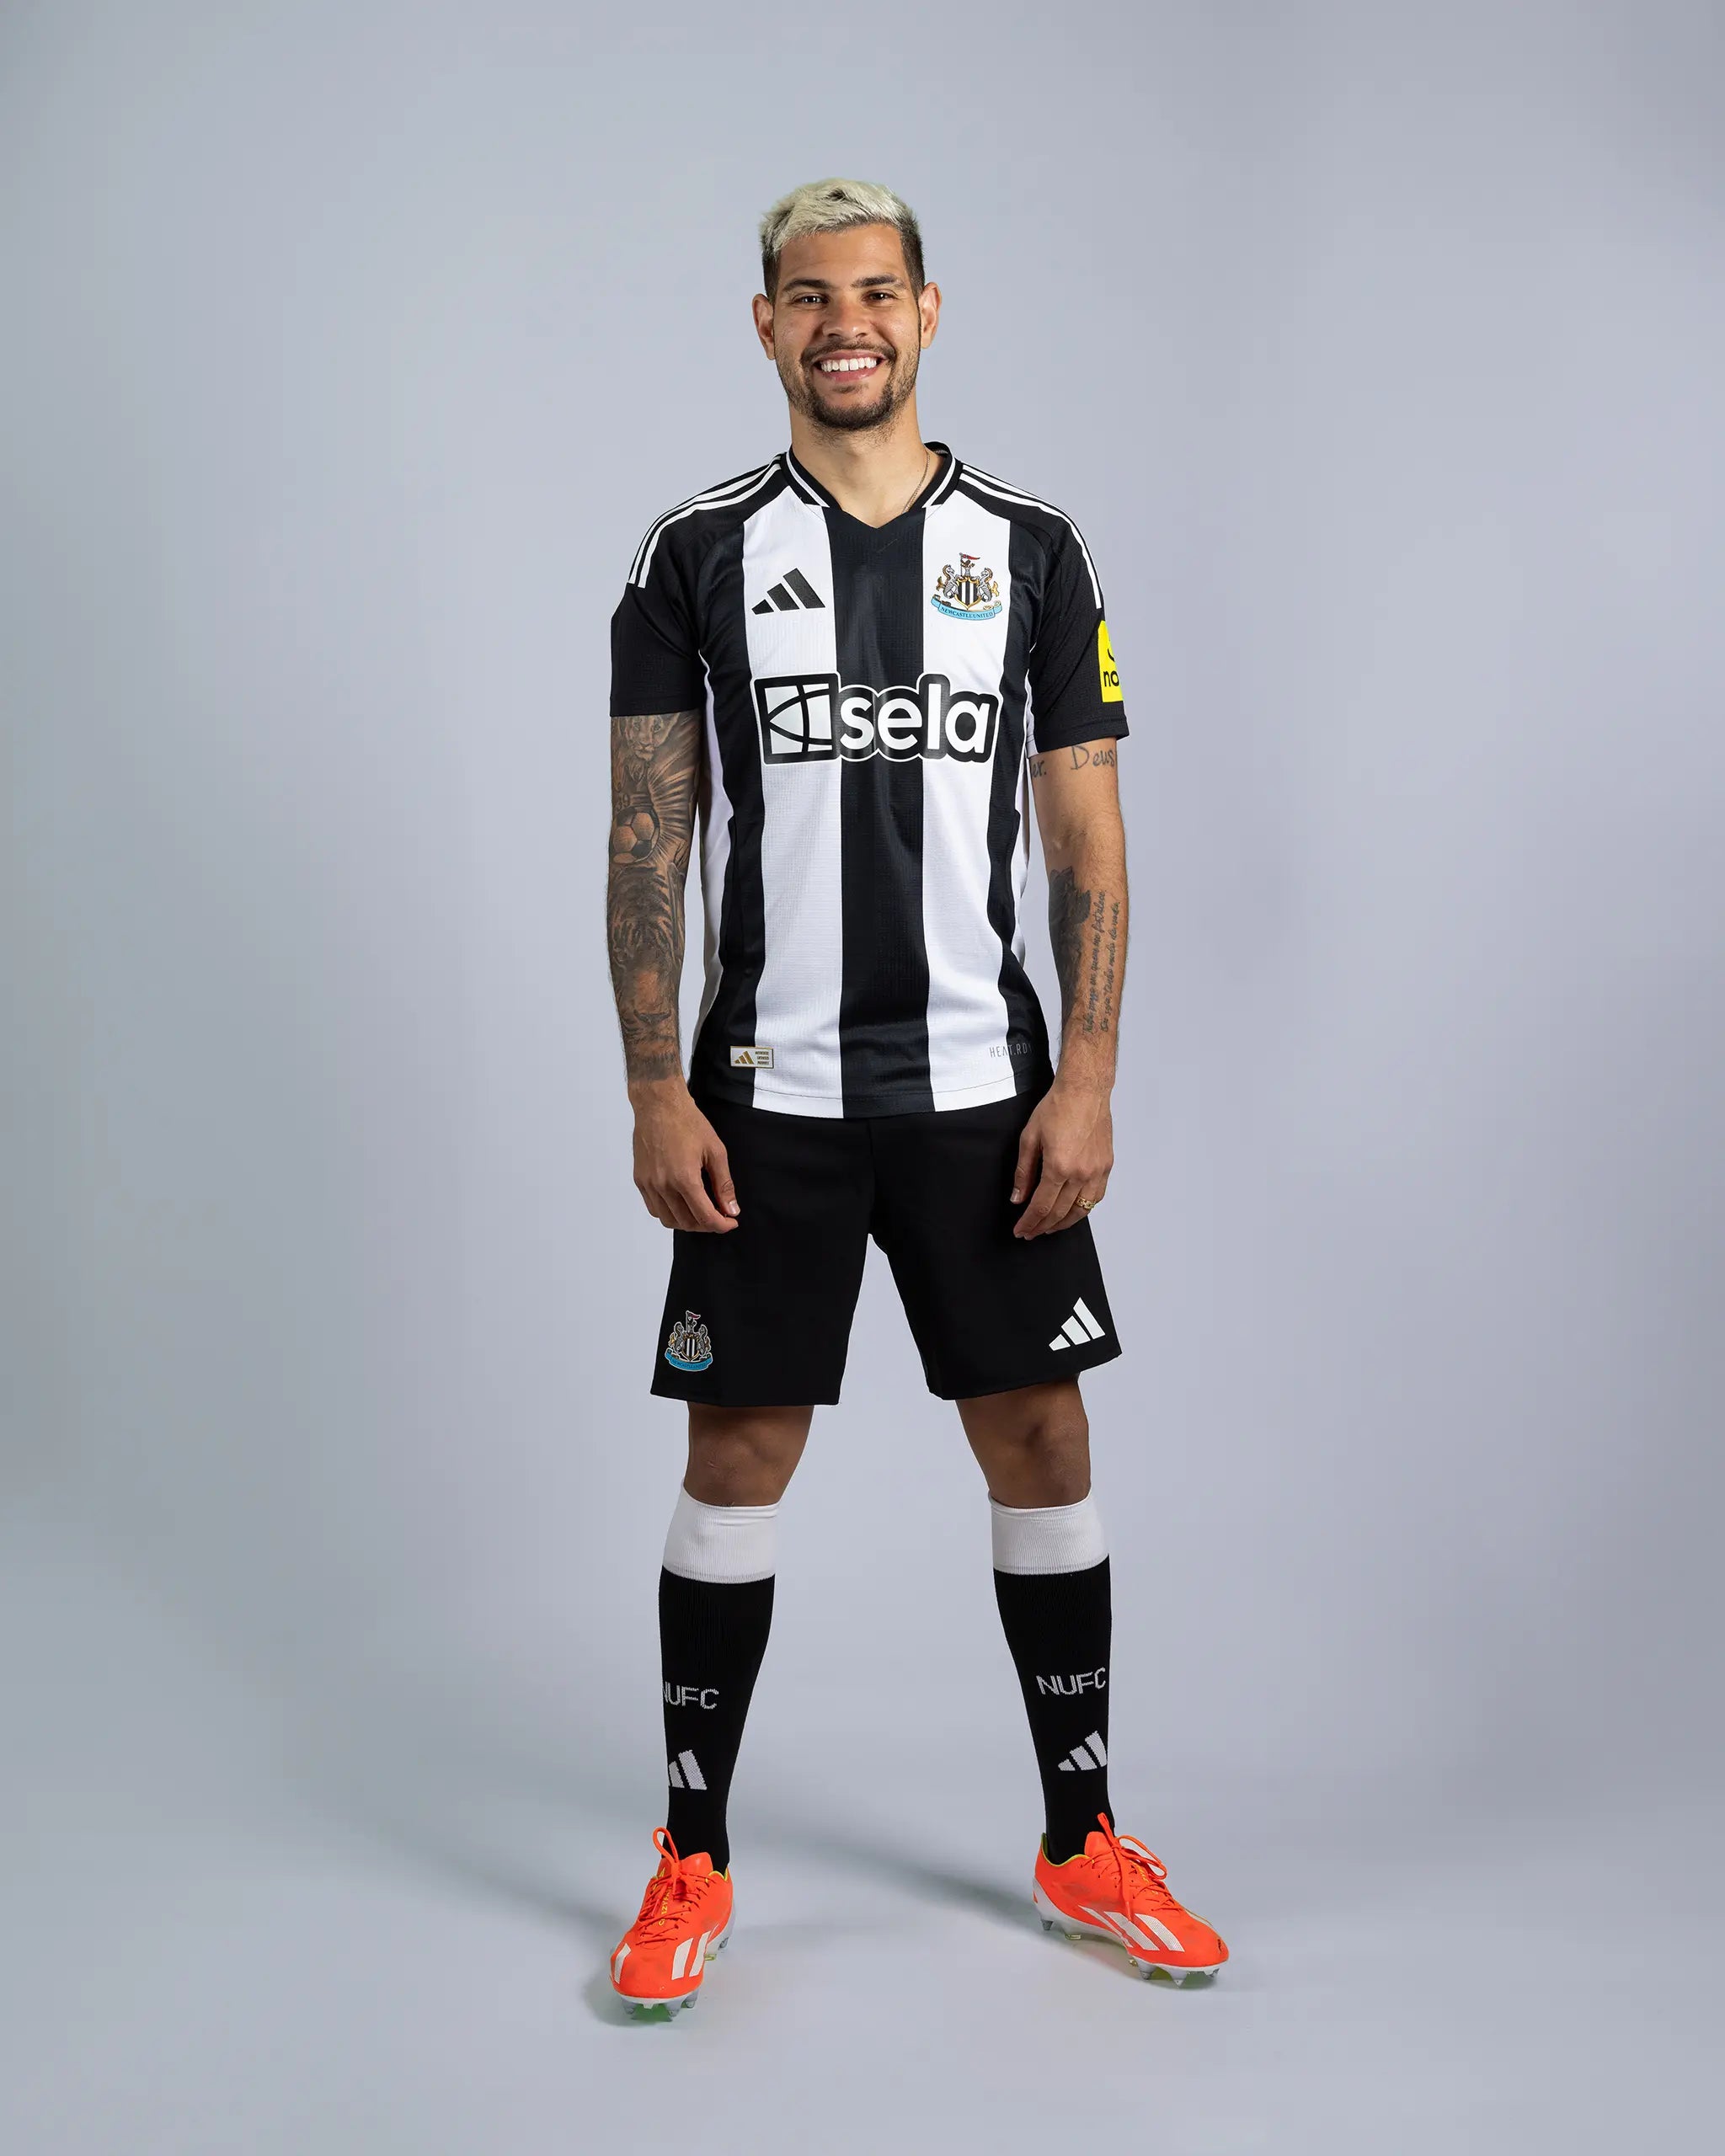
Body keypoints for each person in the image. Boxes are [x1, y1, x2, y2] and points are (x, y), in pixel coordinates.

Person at [603, 177, 1227, 2014]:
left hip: (983, 1098)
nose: (845, 323)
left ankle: (1082, 1836)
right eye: (809, 297)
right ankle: (691, 1853)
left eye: (876, 291)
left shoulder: (1034, 548)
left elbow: (1086, 831)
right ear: (766, 325)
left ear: (929, 312)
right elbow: (649, 839)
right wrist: (654, 1086)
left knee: (1041, 1442)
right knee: (737, 1458)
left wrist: (1087, 1076)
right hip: (768, 1099)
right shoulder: (689, 554)